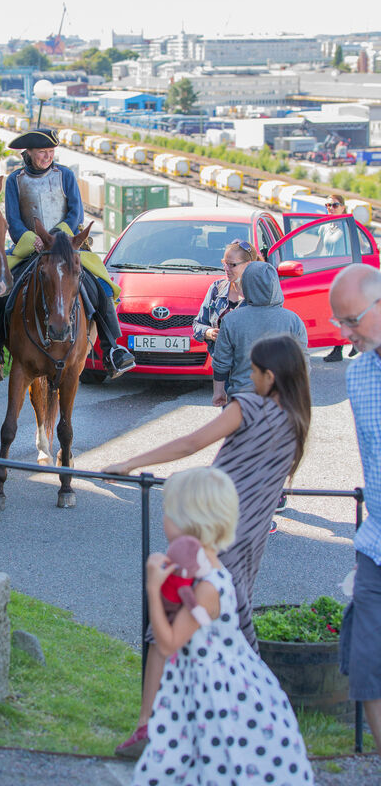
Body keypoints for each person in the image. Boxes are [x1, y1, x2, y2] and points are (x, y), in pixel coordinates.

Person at [105, 334, 311, 757]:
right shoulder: (296, 422)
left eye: (254, 371)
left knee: (169, 617)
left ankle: (148, 728)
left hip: (211, 532)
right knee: (231, 625)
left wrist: (131, 462)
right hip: (248, 539)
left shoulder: (248, 406)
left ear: (270, 377)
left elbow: (191, 443)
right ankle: (248, 723)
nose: (249, 378)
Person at [131, 466, 314, 786]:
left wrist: (153, 588)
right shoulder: (207, 571)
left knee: (208, 755)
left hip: (213, 687)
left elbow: (169, 643)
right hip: (207, 679)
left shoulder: (207, 587)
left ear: (191, 523)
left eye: (168, 513)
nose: (164, 520)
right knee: (197, 753)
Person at [0, 127, 135, 379]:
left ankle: (113, 349)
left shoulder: (66, 175)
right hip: (30, 246)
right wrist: (35, 240)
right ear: (28, 153)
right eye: (42, 152)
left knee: (102, 287)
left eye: (50, 151)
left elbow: (75, 214)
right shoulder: (15, 180)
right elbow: (14, 221)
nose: (47, 156)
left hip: (66, 246)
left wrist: (56, 239)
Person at [330, 263, 381, 754]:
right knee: (368, 673)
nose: (345, 334)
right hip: (376, 551)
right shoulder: (358, 375)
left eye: (352, 320)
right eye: (339, 323)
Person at [212, 259, 308, 407]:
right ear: (275, 285)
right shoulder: (293, 320)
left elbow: (221, 361)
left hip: (242, 399)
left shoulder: (231, 320)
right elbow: (302, 363)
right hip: (282, 399)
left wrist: (219, 391)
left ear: (246, 285)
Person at [192, 238, 259, 355]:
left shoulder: (260, 293)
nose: (226, 269)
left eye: (232, 265)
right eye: (224, 263)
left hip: (249, 362)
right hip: (220, 361)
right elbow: (198, 324)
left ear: (248, 265)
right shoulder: (216, 288)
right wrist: (209, 332)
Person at [317, 194, 357, 362]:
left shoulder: (348, 226)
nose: (331, 208)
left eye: (335, 205)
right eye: (328, 205)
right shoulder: (323, 227)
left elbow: (360, 248)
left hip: (344, 275)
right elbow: (317, 251)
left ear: (343, 207)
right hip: (329, 274)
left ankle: (338, 348)